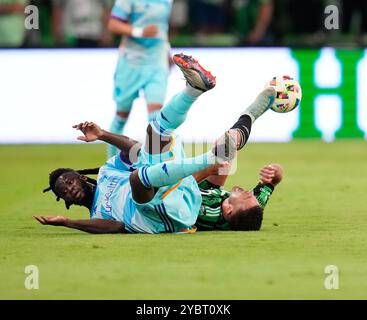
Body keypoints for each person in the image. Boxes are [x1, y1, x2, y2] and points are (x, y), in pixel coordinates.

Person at [35, 53, 276, 234]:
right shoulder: (97, 214)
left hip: (176, 186)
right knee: (137, 178)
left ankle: (194, 89)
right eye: (62, 191)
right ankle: (215, 153)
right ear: (66, 202)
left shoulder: (109, 172)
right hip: (163, 214)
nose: (68, 187)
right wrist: (69, 223)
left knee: (156, 130)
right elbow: (117, 226)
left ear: (80, 175)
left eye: (68, 180)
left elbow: (135, 150)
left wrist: (103, 134)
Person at [106, 0, 173, 158]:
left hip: (156, 62)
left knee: (156, 117)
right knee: (121, 115)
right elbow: (113, 24)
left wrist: (167, 50)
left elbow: (162, 27)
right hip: (131, 62)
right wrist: (139, 32)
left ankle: (156, 164)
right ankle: (111, 163)